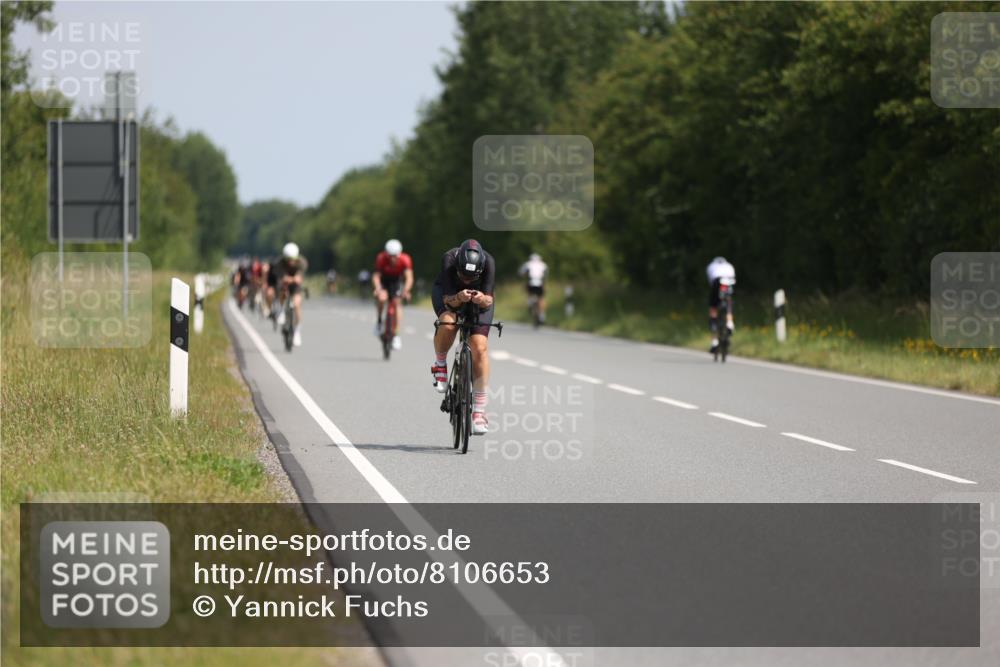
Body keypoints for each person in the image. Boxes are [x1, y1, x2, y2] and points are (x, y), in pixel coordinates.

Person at [431, 239, 496, 436]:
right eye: (463, 276)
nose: (467, 281)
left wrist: (481, 298)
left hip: (479, 302)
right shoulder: (449, 259)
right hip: (448, 294)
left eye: (472, 278)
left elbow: (489, 299)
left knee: (480, 347)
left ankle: (479, 411)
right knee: (449, 323)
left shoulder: (489, 263)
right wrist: (459, 297)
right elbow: (448, 300)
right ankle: (440, 364)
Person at [372, 239, 414, 350]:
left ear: (399, 254)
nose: (392, 258)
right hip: (384, 282)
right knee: (381, 298)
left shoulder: (405, 259)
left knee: (397, 302)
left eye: (394, 256)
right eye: (389, 255)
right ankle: (379, 322)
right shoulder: (381, 258)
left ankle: (396, 334)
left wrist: (406, 290)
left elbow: (409, 278)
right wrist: (378, 288)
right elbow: (376, 276)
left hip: (397, 282)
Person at [274, 242, 308, 346]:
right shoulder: (279, 263)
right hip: (284, 284)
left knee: (297, 304)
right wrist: (288, 279)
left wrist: (295, 278)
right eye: (288, 259)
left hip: (295, 285)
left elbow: (299, 277)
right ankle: (281, 311)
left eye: (293, 259)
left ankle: (297, 331)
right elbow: (282, 278)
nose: (291, 262)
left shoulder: (302, 262)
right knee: (282, 292)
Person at [706, 256, 736, 353]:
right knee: (728, 302)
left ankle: (714, 341)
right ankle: (730, 323)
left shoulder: (711, 266)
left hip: (717, 281)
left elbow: (711, 281)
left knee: (713, 308)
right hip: (729, 281)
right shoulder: (729, 266)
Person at [518, 252, 548, 324]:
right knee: (541, 298)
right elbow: (546, 275)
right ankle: (542, 315)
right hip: (540, 283)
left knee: (529, 294)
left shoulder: (528, 264)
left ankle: (530, 303)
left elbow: (521, 273)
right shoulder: (543, 265)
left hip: (531, 283)